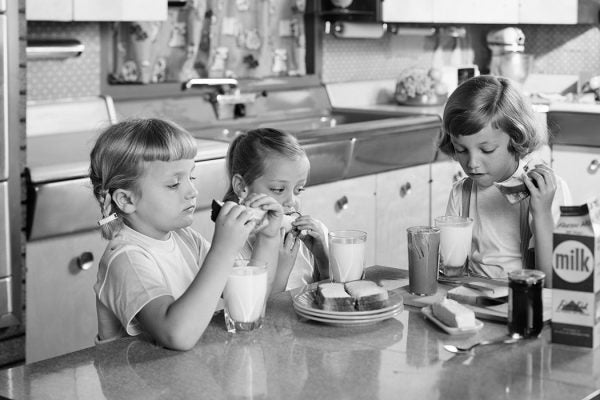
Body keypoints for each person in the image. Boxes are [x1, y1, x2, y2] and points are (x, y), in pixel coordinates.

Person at [89, 118, 282, 350]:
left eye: (191, 177)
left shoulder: (185, 238)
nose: (192, 191)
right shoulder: (125, 259)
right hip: (138, 382)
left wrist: (268, 238)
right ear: (126, 199)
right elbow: (177, 335)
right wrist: (223, 250)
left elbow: (248, 303)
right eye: (173, 184)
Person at [438, 75, 571, 280]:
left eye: (487, 150)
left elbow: (553, 285)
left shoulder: (546, 191)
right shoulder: (461, 192)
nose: (472, 163)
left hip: (524, 300)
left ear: (516, 138)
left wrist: (542, 213)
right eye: (461, 149)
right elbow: (450, 271)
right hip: (474, 300)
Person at [224, 128, 329, 291]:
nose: (291, 202)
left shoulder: (311, 237)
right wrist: (281, 269)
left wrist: (322, 257)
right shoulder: (232, 248)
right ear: (242, 186)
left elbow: (332, 297)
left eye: (299, 189)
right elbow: (257, 311)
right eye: (279, 189)